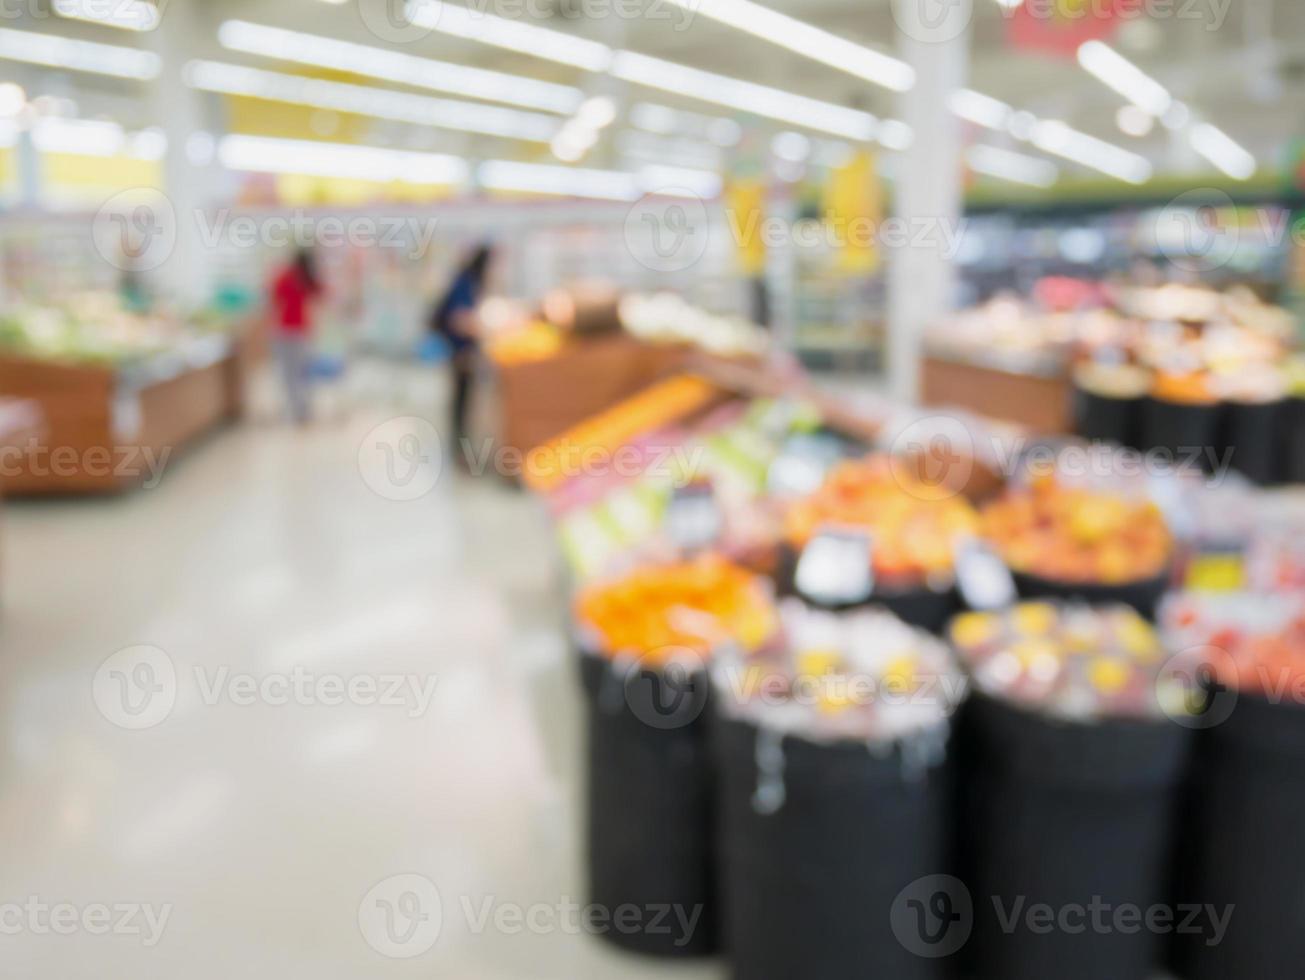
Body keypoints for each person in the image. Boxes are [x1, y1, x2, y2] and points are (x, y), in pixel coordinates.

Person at [430, 244, 494, 464]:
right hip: (461, 352)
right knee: (462, 403)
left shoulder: (464, 280)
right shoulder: (466, 283)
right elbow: (459, 319)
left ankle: (459, 450)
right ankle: (459, 452)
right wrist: (486, 327)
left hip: (460, 351)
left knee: (462, 402)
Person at [268, 248, 322, 425]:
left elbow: (273, 298)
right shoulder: (307, 278)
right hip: (302, 331)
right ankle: (303, 409)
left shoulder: (286, 276)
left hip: (285, 331)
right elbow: (321, 294)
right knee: (303, 372)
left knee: (288, 374)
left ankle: (294, 410)